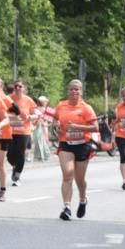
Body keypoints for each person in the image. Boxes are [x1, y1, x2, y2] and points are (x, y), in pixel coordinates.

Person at [51, 80, 97, 221]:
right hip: (66, 143)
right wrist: (56, 127)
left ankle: (83, 199)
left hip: (83, 145)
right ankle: (67, 207)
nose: (74, 92)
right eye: (71, 89)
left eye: (77, 89)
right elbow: (54, 121)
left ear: (81, 91)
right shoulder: (61, 106)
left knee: (80, 179)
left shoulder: (86, 108)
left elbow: (95, 127)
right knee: (67, 174)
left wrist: (78, 127)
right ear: (68, 91)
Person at [7, 80, 37, 185]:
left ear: (24, 88)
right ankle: (15, 166)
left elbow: (35, 115)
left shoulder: (28, 100)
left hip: (24, 131)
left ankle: (17, 176)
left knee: (20, 154)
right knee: (9, 155)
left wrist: (28, 117)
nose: (18, 88)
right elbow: (2, 112)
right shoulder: (8, 99)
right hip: (9, 131)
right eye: (16, 86)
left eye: (20, 86)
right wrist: (13, 117)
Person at [32, 96, 53, 162]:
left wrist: (46, 123)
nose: (46, 102)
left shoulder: (45, 109)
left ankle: (43, 155)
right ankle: (42, 154)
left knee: (42, 140)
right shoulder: (36, 109)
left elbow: (48, 117)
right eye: (45, 101)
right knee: (40, 140)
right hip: (39, 126)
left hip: (42, 125)